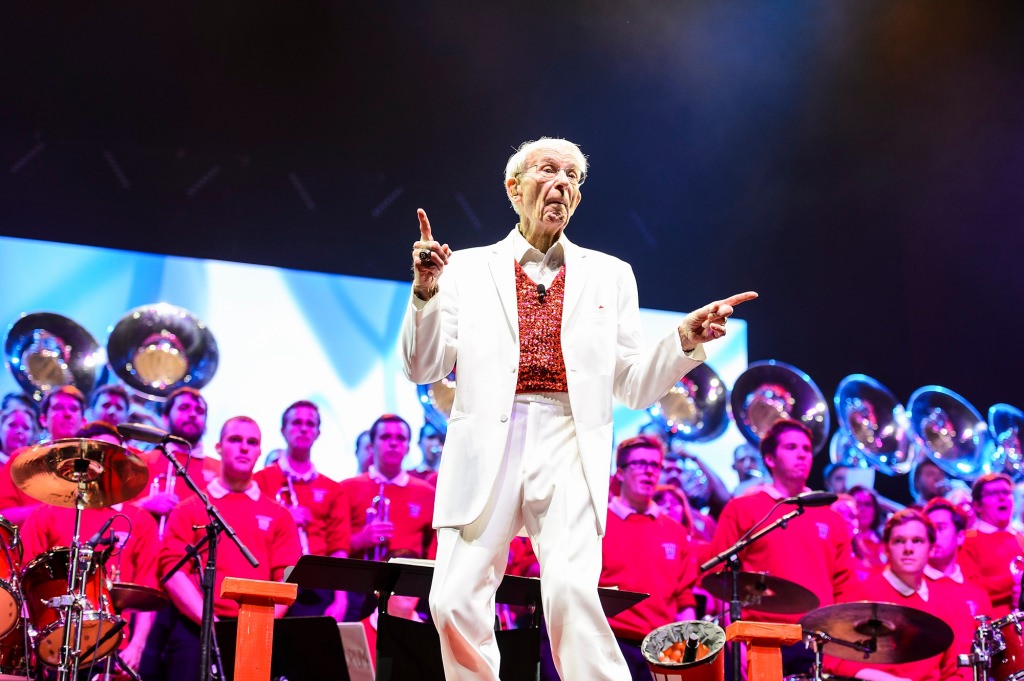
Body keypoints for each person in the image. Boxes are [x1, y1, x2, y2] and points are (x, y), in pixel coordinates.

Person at [402, 136, 756, 681]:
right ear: (513, 188)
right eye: (548, 170)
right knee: (451, 600)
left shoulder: (611, 274)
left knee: (570, 595)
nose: (563, 182)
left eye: (573, 176)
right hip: (486, 442)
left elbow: (634, 387)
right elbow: (424, 367)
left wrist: (682, 342)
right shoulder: (466, 269)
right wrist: (425, 291)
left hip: (569, 438)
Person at [155, 416, 301, 681]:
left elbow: (288, 580)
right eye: (235, 440)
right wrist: (210, 624)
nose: (244, 447)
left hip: (259, 634)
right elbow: (172, 571)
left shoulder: (279, 515)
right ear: (219, 447)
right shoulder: (189, 508)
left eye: (252, 442)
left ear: (259, 451)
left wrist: (259, 628)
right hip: (195, 629)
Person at [708, 419, 854, 677]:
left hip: (817, 642)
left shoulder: (832, 519)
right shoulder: (742, 508)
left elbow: (843, 587)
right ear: (770, 459)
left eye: (806, 449)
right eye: (791, 447)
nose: (801, 454)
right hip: (760, 640)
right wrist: (736, 644)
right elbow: (722, 581)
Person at [19, 420, 160, 674]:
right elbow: (24, 583)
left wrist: (137, 646)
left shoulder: (140, 521)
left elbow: (146, 589)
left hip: (115, 649)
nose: (104, 463)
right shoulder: (45, 515)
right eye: (96, 454)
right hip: (52, 648)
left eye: (112, 456)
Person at [824, 509, 973, 681]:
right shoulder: (860, 594)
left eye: (917, 541)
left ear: (931, 548)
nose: (908, 549)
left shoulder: (946, 599)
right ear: (887, 548)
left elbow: (953, 671)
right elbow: (833, 660)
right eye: (899, 541)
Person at [594, 436, 698, 680]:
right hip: (608, 642)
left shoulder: (675, 531)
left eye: (654, 465)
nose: (649, 472)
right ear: (619, 473)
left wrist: (687, 654)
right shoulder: (598, 524)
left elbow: (684, 599)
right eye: (640, 464)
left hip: (662, 649)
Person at [253, 400, 350, 618]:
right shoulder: (260, 480)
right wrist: (284, 518)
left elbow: (338, 547)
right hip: (272, 578)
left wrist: (341, 598)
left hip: (318, 585)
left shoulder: (333, 489)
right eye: (296, 423)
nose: (304, 428)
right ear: (283, 430)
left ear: (317, 433)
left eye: (310, 424)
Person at [134, 387, 219, 535]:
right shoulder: (140, 462)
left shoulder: (219, 471)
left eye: (199, 411)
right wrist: (144, 505)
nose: (192, 414)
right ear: (165, 417)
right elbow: (114, 514)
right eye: (184, 408)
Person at [0, 385, 87, 525]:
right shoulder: (20, 458)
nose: (67, 414)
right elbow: (3, 516)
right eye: (58, 407)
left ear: (84, 421)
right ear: (43, 419)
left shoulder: (92, 466)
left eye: (74, 409)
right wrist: (51, 509)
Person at [961, 472, 1023, 617]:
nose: (1002, 497)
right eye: (993, 493)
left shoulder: (1021, 538)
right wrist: (1016, 580)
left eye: (1006, 492)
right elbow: (972, 588)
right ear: (977, 506)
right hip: (993, 626)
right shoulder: (967, 540)